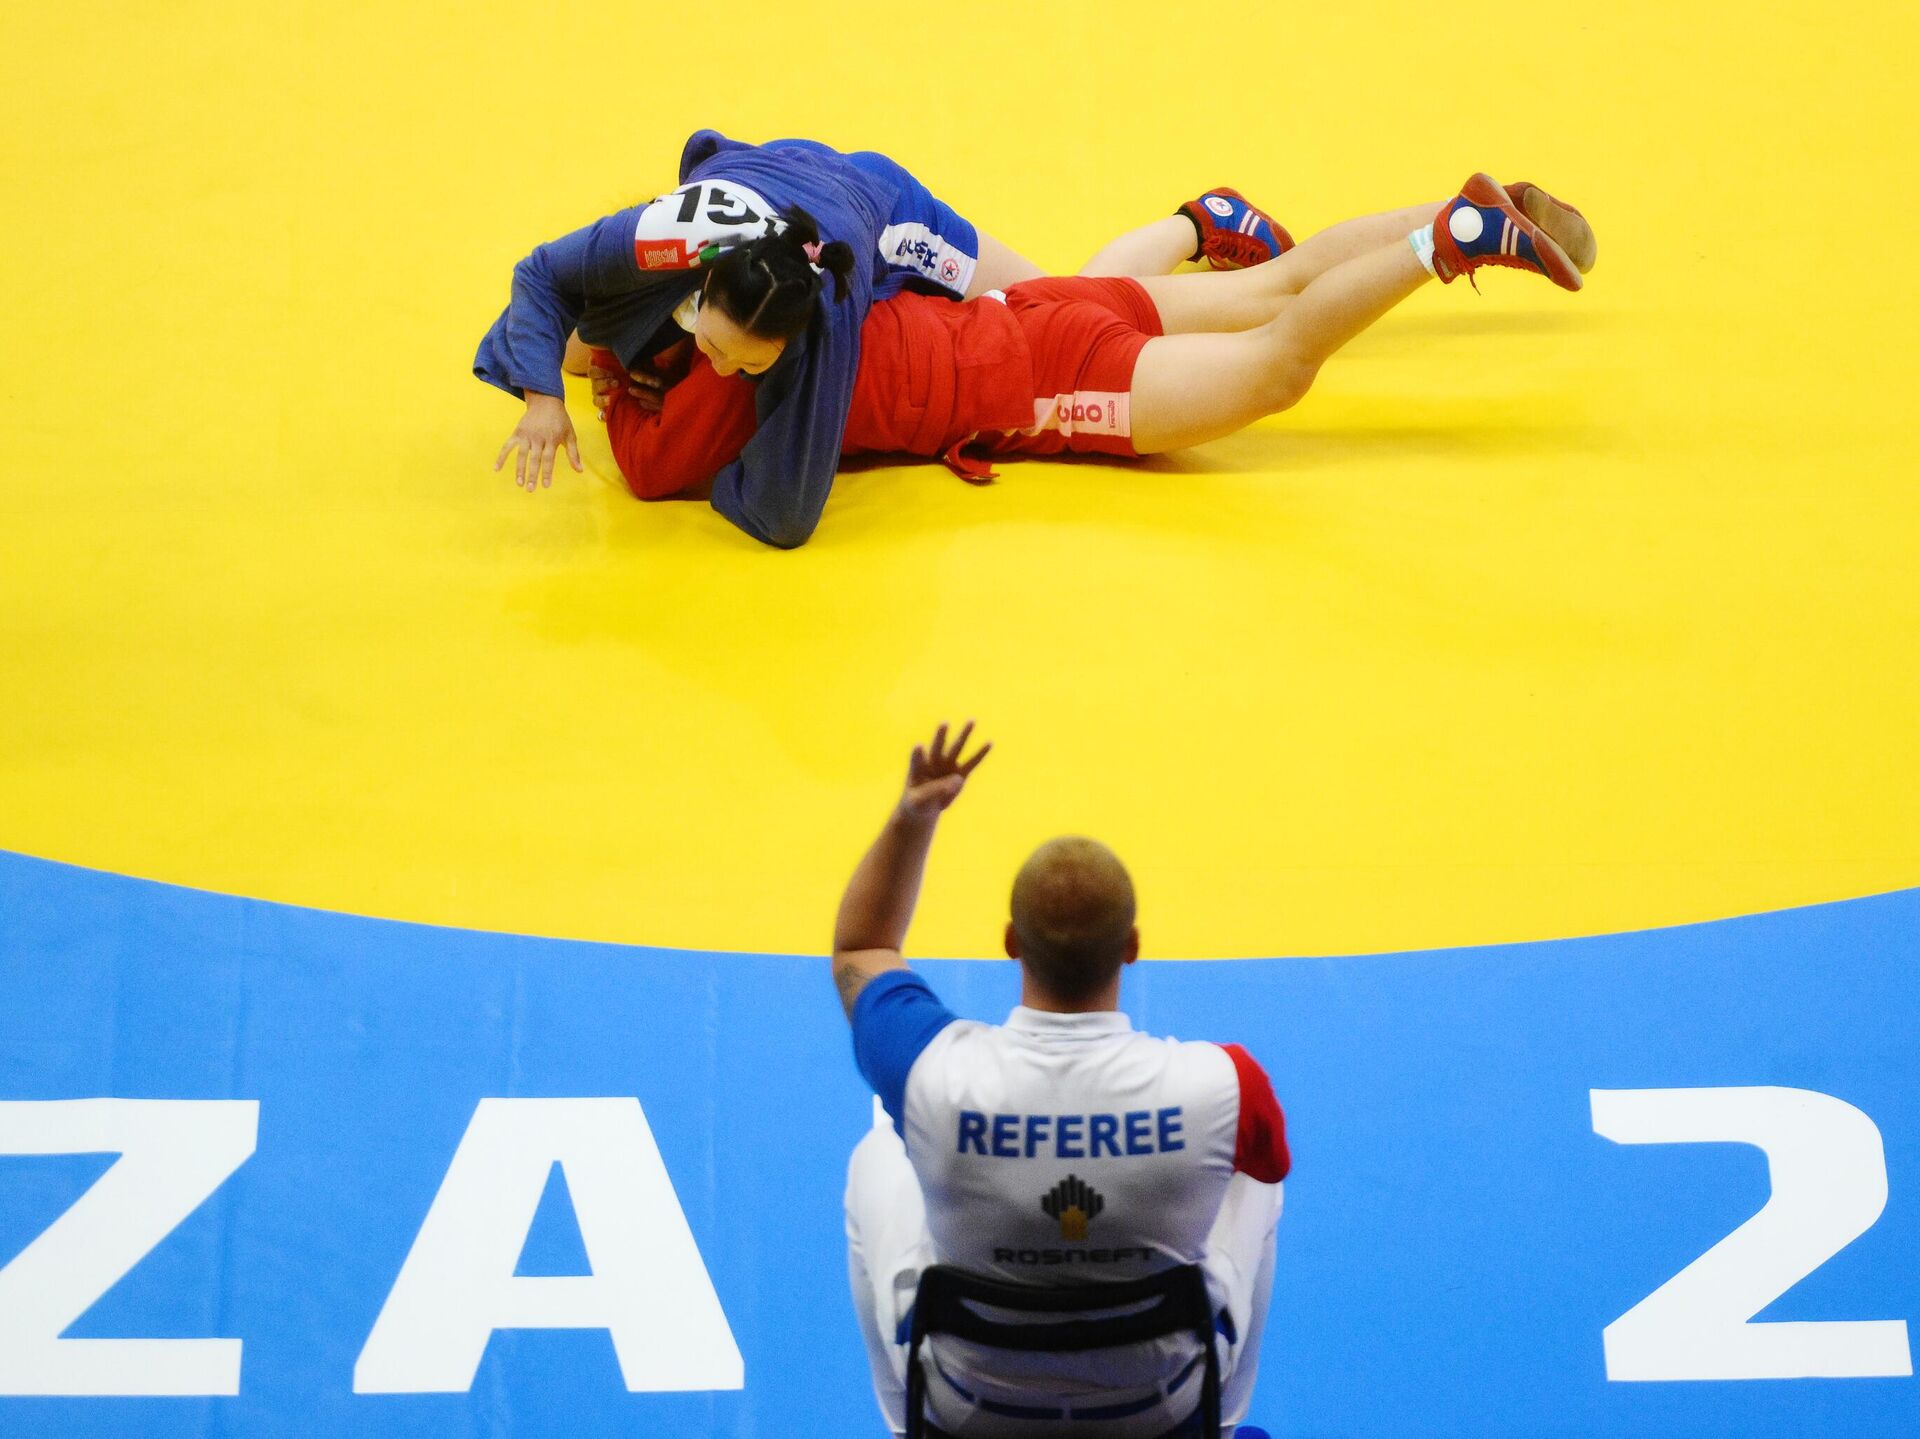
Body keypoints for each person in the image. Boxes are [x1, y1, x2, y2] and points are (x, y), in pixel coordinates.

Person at [591, 174, 1597, 517]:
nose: (719, 359)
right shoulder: (803, 274)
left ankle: (1450, 240)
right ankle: (1464, 204)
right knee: (1274, 285)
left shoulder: (730, 376)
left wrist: (609, 378)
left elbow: (651, 469)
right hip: (1034, 314)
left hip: (1048, 387)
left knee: (1278, 364)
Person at [476, 127, 1289, 546]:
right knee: (1064, 310)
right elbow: (540, 282)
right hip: (798, 210)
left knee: (1053, 299)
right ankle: (1204, 235)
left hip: (884, 214)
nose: (719, 365)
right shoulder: (655, 247)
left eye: (725, 353)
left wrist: (676, 423)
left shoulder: (815, 321)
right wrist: (544, 394)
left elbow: (785, 511)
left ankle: (1197, 224)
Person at [834, 722, 1291, 1438]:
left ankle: (910, 1426)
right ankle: (1219, 1424)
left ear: (1010, 942)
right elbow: (1265, 1163)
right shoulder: (1224, 1083)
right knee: (1251, 1176)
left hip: (971, 1405)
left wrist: (914, 815)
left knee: (879, 1152)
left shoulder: (930, 1072)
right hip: (1156, 1405)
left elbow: (863, 947)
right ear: (1132, 946)